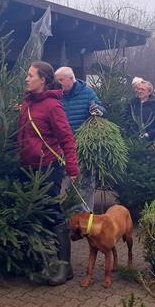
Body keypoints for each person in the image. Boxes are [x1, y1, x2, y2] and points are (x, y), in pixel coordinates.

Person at [17, 61, 80, 286]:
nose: (26, 78)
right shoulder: (27, 103)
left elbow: (67, 137)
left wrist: (72, 167)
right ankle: (46, 261)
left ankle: (64, 267)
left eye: (30, 75)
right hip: (28, 167)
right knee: (38, 214)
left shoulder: (52, 106)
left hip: (48, 167)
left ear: (42, 80)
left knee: (53, 213)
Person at [55, 66, 105, 211]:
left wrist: (97, 110)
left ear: (71, 79)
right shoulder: (56, 94)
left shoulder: (87, 93)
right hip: (61, 147)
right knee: (65, 183)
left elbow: (101, 108)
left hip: (82, 147)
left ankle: (86, 215)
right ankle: (66, 215)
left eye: (61, 80)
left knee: (85, 184)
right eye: (57, 80)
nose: (58, 83)